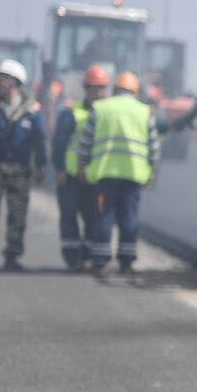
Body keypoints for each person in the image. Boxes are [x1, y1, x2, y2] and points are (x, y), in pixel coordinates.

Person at [76, 71, 158, 276]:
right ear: (135, 91)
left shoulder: (101, 108)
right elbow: (153, 146)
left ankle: (100, 260)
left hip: (105, 175)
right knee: (129, 219)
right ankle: (127, 262)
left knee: (104, 218)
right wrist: (152, 171)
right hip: (133, 176)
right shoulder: (145, 111)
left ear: (114, 90)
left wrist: (82, 166)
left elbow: (85, 143)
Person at [0, 59, 45, 271]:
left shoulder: (32, 111)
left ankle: (12, 256)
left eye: (1, 79)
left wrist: (41, 166)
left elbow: (39, 140)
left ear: (13, 82)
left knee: (18, 214)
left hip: (20, 170)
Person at [50, 66, 108, 270]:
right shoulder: (72, 113)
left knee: (94, 218)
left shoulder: (107, 115)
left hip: (95, 178)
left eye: (102, 89)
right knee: (69, 216)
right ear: (86, 89)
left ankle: (89, 255)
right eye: (95, 89)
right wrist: (60, 169)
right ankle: (73, 258)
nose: (99, 93)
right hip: (72, 176)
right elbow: (60, 143)